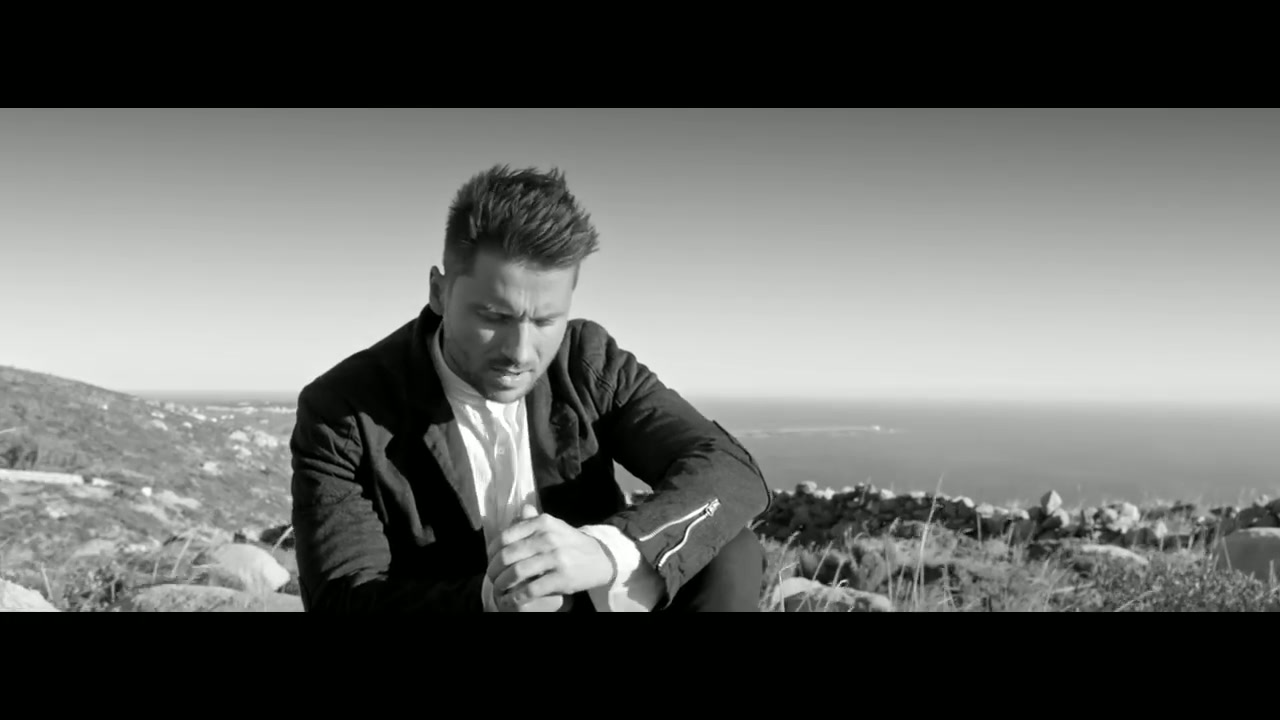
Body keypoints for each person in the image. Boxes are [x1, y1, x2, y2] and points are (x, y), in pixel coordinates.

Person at [289, 164, 771, 612]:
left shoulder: (587, 359)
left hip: (592, 602)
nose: (520, 353)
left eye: (544, 321)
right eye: (493, 317)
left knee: (732, 553)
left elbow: (730, 469)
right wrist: (490, 599)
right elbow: (341, 597)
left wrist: (611, 551)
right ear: (438, 292)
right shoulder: (343, 409)